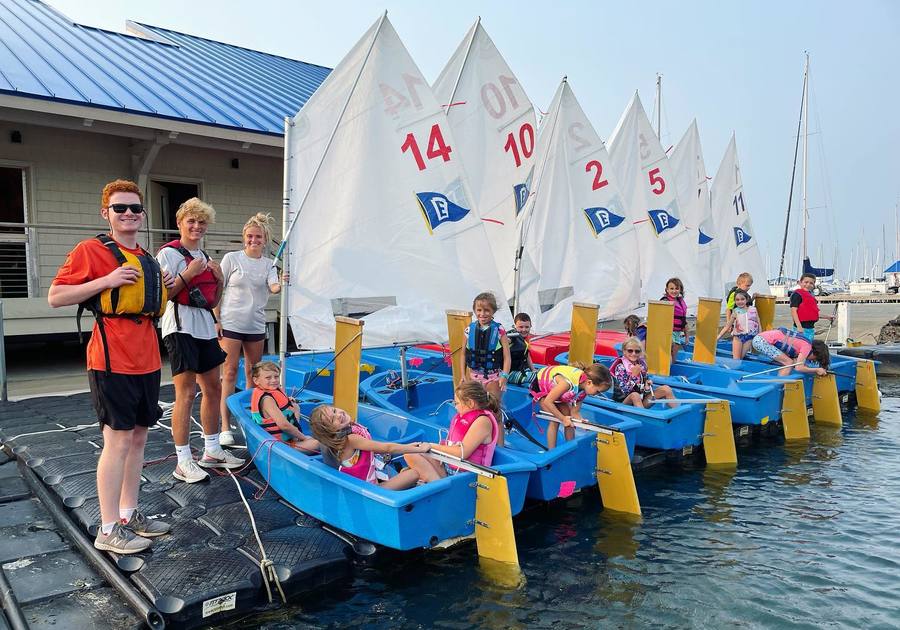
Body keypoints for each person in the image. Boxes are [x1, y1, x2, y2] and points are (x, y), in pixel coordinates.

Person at [49, 179, 175, 554]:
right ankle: (107, 529)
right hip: (111, 357)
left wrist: (164, 283)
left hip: (148, 357)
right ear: (106, 213)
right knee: (117, 441)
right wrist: (107, 279)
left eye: (135, 208)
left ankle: (129, 513)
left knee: (139, 438)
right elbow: (56, 296)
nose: (129, 214)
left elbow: (153, 302)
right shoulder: (92, 250)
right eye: (120, 208)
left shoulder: (148, 258)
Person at [157, 198, 244, 483]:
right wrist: (188, 273)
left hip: (205, 327)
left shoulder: (205, 257)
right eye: (191, 221)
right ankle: (183, 460)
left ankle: (212, 450)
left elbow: (211, 301)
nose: (196, 226)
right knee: (186, 393)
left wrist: (219, 281)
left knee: (213, 388)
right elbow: (164, 296)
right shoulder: (168, 255)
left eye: (201, 222)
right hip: (180, 327)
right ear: (180, 223)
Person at [216, 213, 284, 445]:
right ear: (244, 237)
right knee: (230, 372)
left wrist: (282, 281)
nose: (253, 240)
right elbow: (218, 290)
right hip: (231, 323)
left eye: (258, 237)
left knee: (253, 375)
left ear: (265, 240)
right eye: (250, 236)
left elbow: (274, 287)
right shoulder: (232, 259)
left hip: (255, 324)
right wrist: (216, 320)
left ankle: (250, 421)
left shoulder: (269, 265)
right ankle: (225, 426)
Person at [310, 405, 430, 489]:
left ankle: (402, 479)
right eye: (332, 419)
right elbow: (387, 448)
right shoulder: (351, 439)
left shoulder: (337, 440)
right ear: (330, 431)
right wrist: (419, 449)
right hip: (373, 489)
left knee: (406, 472)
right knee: (413, 473)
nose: (339, 415)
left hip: (369, 483)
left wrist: (408, 446)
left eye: (335, 411)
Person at [404, 381, 500, 482]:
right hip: (450, 466)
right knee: (410, 452)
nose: (455, 407)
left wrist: (431, 446)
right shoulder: (464, 417)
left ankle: (440, 488)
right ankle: (436, 483)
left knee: (413, 456)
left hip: (467, 475)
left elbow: (462, 453)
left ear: (470, 403)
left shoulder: (482, 421)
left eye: (457, 403)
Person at [464, 292, 511, 443]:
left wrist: (504, 376)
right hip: (474, 376)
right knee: (475, 412)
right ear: (474, 311)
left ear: (493, 312)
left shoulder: (500, 330)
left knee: (495, 413)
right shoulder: (469, 330)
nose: (482, 314)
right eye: (479, 310)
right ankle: (479, 442)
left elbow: (507, 357)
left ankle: (501, 446)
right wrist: (462, 375)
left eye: (486, 311)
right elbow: (463, 354)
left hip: (493, 378)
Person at [529, 363, 611, 449]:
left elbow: (574, 412)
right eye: (597, 391)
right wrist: (562, 418)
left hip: (556, 390)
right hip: (541, 386)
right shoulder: (566, 384)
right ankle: (551, 450)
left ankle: (570, 447)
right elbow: (548, 402)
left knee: (568, 417)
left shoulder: (584, 388)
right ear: (589, 382)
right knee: (555, 420)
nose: (596, 394)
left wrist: (581, 420)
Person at [249, 361, 318, 452]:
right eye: (268, 378)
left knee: (314, 440)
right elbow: (284, 425)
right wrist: (304, 437)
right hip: (278, 447)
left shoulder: (273, 392)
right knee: (318, 443)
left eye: (276, 376)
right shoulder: (267, 400)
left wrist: (295, 410)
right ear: (256, 380)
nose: (274, 380)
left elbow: (291, 422)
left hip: (288, 440)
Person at [609, 337, 677, 409]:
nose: (633, 353)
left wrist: (647, 387)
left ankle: (678, 413)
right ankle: (643, 418)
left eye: (637, 351)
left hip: (640, 400)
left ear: (640, 352)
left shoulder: (642, 365)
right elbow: (625, 391)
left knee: (666, 389)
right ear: (624, 351)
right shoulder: (620, 367)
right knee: (635, 395)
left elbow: (643, 388)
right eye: (630, 351)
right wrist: (634, 376)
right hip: (623, 403)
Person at [751, 328, 831, 377]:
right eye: (814, 359)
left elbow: (797, 362)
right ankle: (778, 385)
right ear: (815, 354)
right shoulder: (807, 347)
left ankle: (780, 379)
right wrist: (817, 370)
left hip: (760, 338)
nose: (811, 360)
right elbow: (798, 367)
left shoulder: (805, 344)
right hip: (761, 341)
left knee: (790, 361)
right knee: (789, 362)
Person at [716, 289, 760, 359]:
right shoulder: (735, 311)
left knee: (741, 357)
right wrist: (718, 337)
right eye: (737, 300)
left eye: (742, 299)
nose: (740, 301)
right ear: (735, 301)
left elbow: (758, 323)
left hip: (749, 337)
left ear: (746, 299)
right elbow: (727, 326)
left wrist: (760, 335)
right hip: (738, 338)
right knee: (736, 359)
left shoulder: (753, 309)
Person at [790, 273, 832, 341]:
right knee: (801, 347)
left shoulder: (810, 296)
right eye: (806, 282)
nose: (808, 285)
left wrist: (827, 317)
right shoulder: (797, 295)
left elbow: (812, 313)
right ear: (800, 283)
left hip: (810, 329)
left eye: (811, 283)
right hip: (801, 329)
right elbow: (793, 311)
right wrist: (799, 326)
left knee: (809, 346)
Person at [661, 277, 688, 364]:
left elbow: (684, 321)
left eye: (677, 288)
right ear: (667, 290)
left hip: (677, 332)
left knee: (674, 357)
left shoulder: (680, 301)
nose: (674, 291)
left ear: (680, 290)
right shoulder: (665, 301)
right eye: (671, 289)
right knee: (669, 351)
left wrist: (687, 336)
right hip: (668, 332)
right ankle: (664, 368)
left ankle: (671, 368)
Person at [506, 312, 536, 386]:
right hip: (508, 374)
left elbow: (527, 355)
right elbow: (506, 341)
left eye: (526, 327)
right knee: (537, 378)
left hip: (520, 369)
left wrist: (533, 370)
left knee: (542, 373)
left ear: (530, 326)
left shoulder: (525, 339)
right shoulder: (511, 337)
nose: (524, 330)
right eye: (521, 327)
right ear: (514, 326)